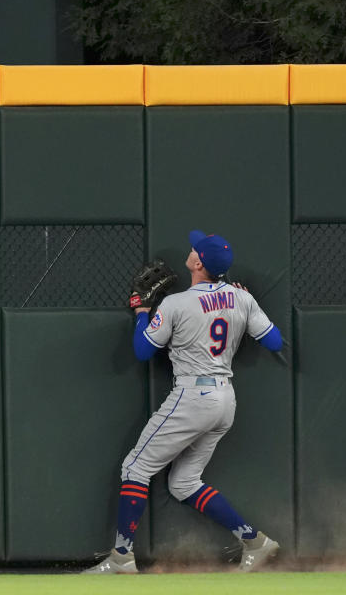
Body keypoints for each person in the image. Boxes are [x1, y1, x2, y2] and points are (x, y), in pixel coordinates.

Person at [84, 230, 283, 574]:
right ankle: (255, 542)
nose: (190, 250)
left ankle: (121, 558)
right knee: (183, 484)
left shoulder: (177, 303)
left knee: (135, 468)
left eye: (195, 249)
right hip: (225, 400)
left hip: (193, 396)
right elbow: (275, 341)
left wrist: (142, 311)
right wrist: (245, 301)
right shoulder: (241, 298)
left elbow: (142, 351)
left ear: (198, 262)